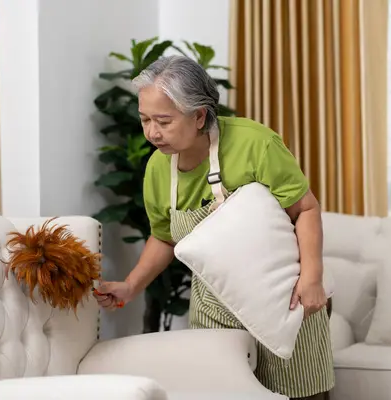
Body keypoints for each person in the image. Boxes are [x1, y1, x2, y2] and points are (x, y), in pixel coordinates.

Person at [93, 55, 335, 400]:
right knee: (220, 392)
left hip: (285, 296)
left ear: (200, 116)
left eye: (163, 120)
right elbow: (164, 237)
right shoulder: (158, 171)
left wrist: (312, 278)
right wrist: (131, 286)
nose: (151, 132)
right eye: (144, 119)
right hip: (213, 305)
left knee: (300, 393)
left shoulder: (255, 144)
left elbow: (306, 208)